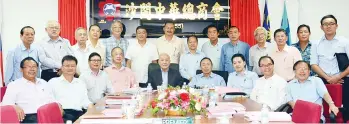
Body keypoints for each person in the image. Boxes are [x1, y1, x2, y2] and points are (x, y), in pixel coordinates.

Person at [311, 14, 349, 120]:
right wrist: (328, 78)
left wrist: (338, 77)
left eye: (331, 23)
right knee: (323, 109)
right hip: (323, 80)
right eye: (325, 24)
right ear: (321, 27)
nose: (328, 26)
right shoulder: (316, 43)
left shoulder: (345, 42)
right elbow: (313, 64)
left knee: (345, 109)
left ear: (336, 26)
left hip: (343, 79)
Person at [2, 57, 62, 123]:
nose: (32, 69)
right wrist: (14, 107)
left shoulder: (44, 82)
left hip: (47, 116)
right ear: (21, 69)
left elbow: (52, 99)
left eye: (34, 66)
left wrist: (58, 105)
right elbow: (5, 104)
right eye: (28, 67)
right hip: (28, 118)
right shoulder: (14, 85)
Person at [48, 55, 93, 122]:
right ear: (62, 68)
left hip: (79, 114)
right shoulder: (53, 82)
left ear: (76, 68)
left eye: (73, 66)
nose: (70, 68)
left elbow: (85, 100)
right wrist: (57, 106)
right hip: (63, 113)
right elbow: (49, 99)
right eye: (67, 66)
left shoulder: (80, 82)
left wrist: (91, 105)